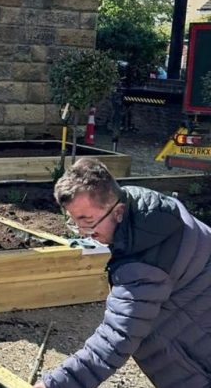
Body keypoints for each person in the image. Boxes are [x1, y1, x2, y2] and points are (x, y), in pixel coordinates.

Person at [34, 157, 211, 388]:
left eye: (87, 221)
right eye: (74, 221)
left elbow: (115, 339)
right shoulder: (148, 214)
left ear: (118, 212)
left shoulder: (145, 263)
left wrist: (52, 385)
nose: (82, 232)